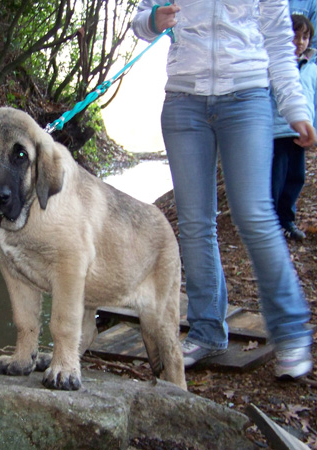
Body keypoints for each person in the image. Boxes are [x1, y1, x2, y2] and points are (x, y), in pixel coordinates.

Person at [133, 0, 314, 379]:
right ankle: (207, 331)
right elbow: (142, 20)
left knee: (254, 214)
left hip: (247, 97)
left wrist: (295, 105)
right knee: (196, 223)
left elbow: (279, 42)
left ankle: (292, 331)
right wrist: (152, 19)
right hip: (184, 101)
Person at [272, 14, 317, 242]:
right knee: (275, 179)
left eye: (305, 37)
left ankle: (287, 220)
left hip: (300, 134)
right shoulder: (273, 66)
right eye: (294, 36)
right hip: (276, 133)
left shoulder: (312, 69)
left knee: (295, 178)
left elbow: (313, 100)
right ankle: (270, 223)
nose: (300, 42)